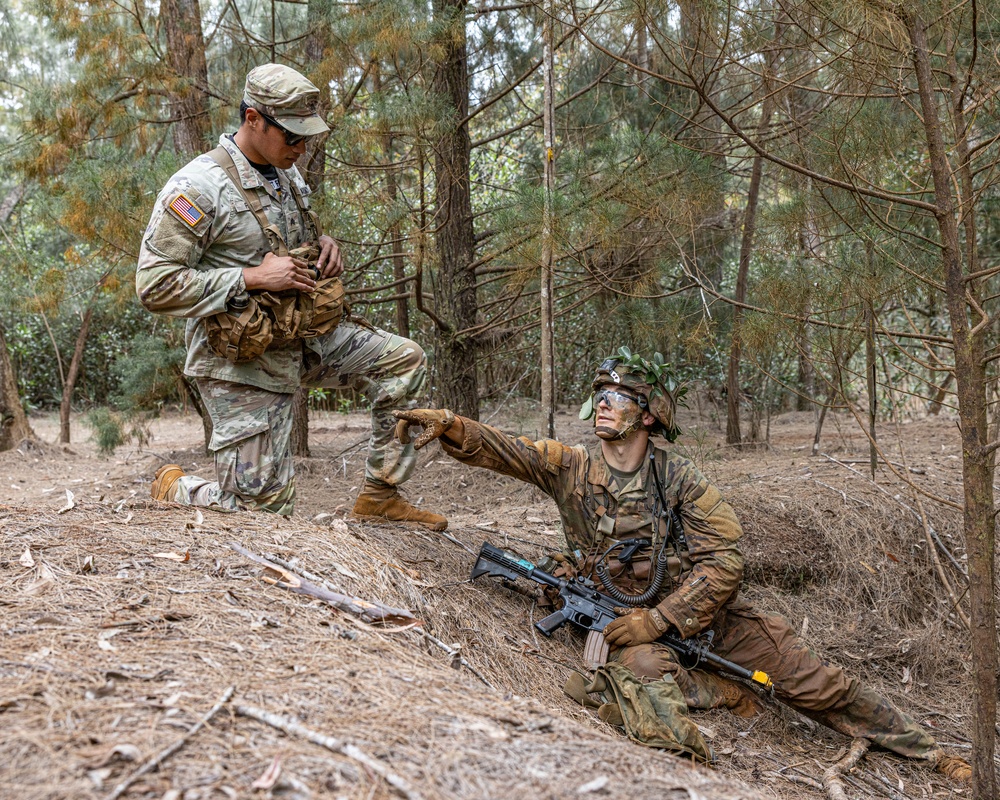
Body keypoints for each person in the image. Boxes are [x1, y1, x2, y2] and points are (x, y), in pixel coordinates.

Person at [392, 350, 970, 779]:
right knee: (640, 673)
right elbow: (505, 449)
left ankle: (930, 752)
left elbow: (725, 560)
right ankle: (716, 699)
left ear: (647, 414)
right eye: (599, 395)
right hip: (622, 622)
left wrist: (662, 617)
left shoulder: (680, 478)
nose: (603, 405)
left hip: (698, 616)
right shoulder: (568, 466)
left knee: (815, 682)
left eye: (618, 397)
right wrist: (451, 425)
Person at [136, 63, 445, 530]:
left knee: (403, 361)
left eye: (308, 139)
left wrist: (323, 245)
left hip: (303, 340)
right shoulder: (197, 188)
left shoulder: (286, 174)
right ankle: (179, 489)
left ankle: (381, 494)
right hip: (241, 364)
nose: (301, 150)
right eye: (292, 138)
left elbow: (282, 242)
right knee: (266, 515)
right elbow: (154, 285)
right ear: (253, 118)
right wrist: (252, 278)